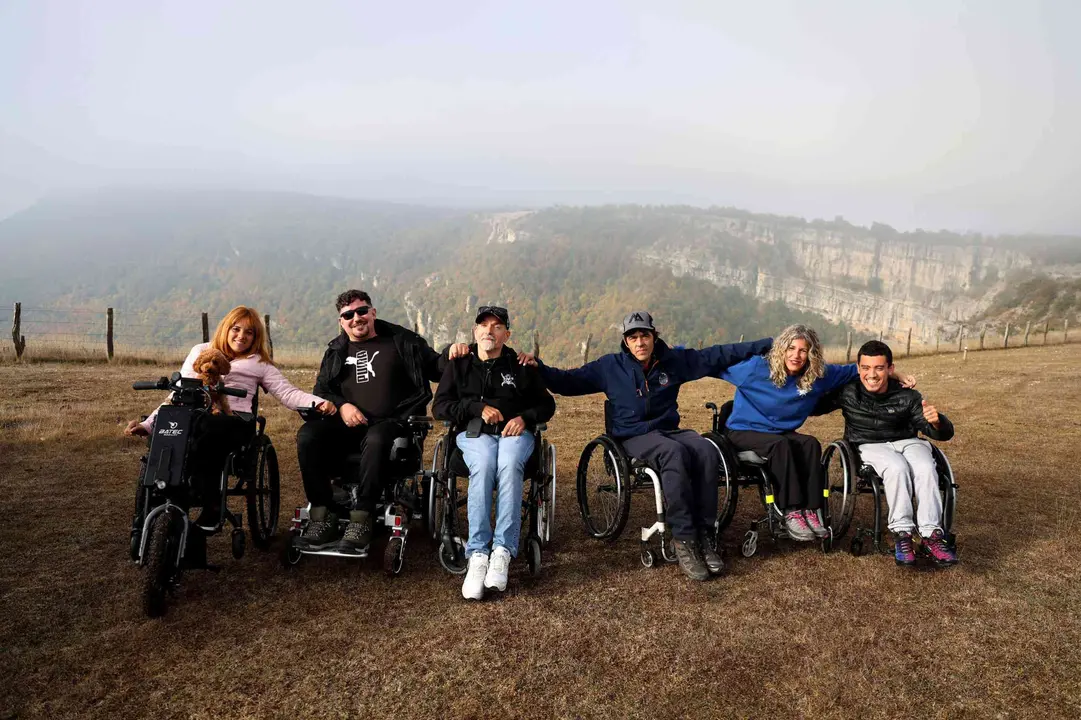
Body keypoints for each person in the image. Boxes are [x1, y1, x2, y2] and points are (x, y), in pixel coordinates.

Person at [520, 310, 772, 582]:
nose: (640, 342)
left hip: (669, 430)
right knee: (673, 453)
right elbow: (567, 382)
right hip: (632, 436)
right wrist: (539, 368)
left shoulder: (674, 362)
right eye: (633, 337)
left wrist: (765, 345)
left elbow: (717, 355)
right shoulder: (610, 367)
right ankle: (684, 539)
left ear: (654, 337)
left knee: (706, 449)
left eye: (644, 336)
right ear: (625, 342)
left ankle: (706, 535)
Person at [124, 306, 334, 558]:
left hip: (235, 421)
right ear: (226, 328)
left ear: (256, 337)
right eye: (236, 329)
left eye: (249, 332)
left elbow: (288, 393)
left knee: (207, 427)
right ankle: (148, 520)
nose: (241, 336)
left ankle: (211, 505)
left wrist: (318, 403)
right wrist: (148, 425)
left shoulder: (259, 363)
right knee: (170, 433)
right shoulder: (200, 351)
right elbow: (177, 393)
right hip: (192, 416)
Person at [295, 290, 466, 556]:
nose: (356, 318)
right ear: (341, 321)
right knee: (308, 435)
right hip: (346, 425)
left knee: (376, 438)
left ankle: (361, 519)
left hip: (394, 422)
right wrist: (343, 406)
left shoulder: (403, 341)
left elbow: (436, 367)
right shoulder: (336, 350)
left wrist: (451, 352)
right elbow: (322, 391)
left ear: (373, 312)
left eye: (362, 311)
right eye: (348, 315)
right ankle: (321, 515)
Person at [719, 324, 914, 543]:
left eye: (803, 350)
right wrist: (678, 360)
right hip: (742, 432)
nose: (796, 355)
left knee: (810, 443)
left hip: (779, 432)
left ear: (811, 353)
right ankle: (791, 511)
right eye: (791, 348)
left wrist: (894, 374)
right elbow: (713, 363)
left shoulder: (818, 375)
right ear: (781, 349)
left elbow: (855, 370)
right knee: (780, 446)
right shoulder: (755, 368)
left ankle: (811, 510)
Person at [433, 305, 556, 599]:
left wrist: (524, 418)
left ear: (506, 334)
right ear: (475, 332)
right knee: (486, 463)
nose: (490, 331)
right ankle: (477, 554)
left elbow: (547, 405)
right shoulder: (459, 364)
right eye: (484, 326)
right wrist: (476, 408)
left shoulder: (521, 365)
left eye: (497, 326)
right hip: (474, 434)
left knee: (510, 462)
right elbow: (440, 408)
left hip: (515, 434)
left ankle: (502, 550)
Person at [817, 340, 957, 566]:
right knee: (897, 467)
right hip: (870, 445)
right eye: (866, 368)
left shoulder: (908, 396)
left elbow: (940, 432)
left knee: (925, 467)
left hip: (909, 441)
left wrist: (938, 422)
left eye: (879, 368)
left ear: (890, 369)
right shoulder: (848, 392)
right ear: (858, 368)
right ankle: (902, 533)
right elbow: (815, 405)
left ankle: (932, 535)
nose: (871, 374)